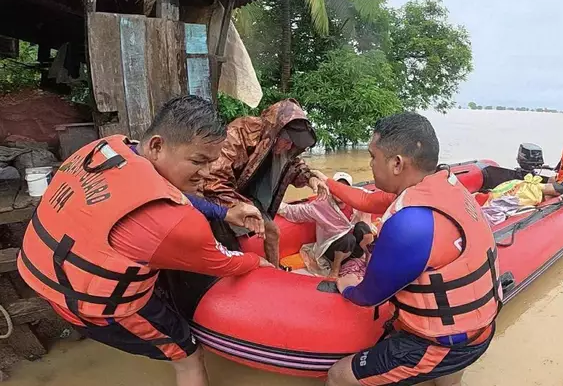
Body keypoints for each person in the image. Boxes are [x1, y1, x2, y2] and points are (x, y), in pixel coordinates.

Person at [17, 96, 274, 386]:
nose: (206, 174)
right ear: (156, 145)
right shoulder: (175, 225)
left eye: (211, 162)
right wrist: (258, 262)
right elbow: (223, 263)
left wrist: (224, 213)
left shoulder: (104, 151)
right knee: (188, 354)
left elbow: (160, 191)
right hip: (94, 306)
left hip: (44, 273)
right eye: (198, 161)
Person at [325, 112, 502, 386]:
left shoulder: (410, 225)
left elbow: (368, 296)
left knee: (339, 376)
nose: (370, 164)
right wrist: (326, 183)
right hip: (480, 328)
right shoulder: (444, 185)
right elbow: (365, 199)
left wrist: (346, 284)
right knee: (445, 381)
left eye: (373, 156)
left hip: (441, 344)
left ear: (397, 163)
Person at [202, 98, 329, 266]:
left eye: (293, 144)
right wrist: (239, 206)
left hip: (248, 196)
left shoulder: (284, 148)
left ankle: (275, 271)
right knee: (230, 248)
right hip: (220, 197)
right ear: (276, 132)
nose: (289, 147)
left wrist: (310, 178)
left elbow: (293, 165)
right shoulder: (239, 133)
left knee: (272, 231)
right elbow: (211, 180)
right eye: (287, 141)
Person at [277, 172, 375, 277]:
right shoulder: (321, 204)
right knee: (348, 239)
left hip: (354, 249)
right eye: (337, 188)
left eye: (344, 188)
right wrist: (271, 203)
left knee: (362, 227)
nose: (340, 192)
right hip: (332, 250)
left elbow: (374, 197)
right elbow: (293, 211)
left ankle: (370, 260)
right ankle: (335, 270)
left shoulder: (356, 200)